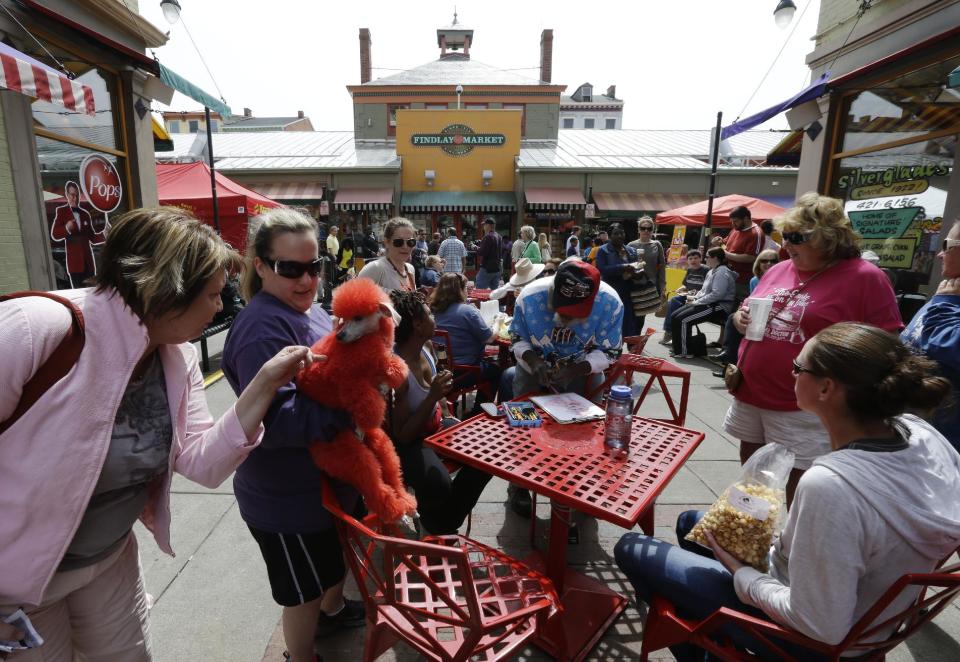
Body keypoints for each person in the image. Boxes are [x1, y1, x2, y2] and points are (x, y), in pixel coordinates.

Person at [0, 207, 311, 660]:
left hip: (108, 562)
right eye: (211, 295)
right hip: (16, 587)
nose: (221, 307)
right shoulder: (35, 329)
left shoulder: (175, 357)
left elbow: (202, 463)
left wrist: (263, 384)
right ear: (165, 290)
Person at [615, 322, 960, 661]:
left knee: (633, 547)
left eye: (798, 367)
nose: (791, 373)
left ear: (826, 389)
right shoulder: (921, 434)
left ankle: (708, 649)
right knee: (692, 524)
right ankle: (708, 628)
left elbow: (819, 626)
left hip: (815, 641)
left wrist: (742, 574)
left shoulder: (831, 484)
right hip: (875, 613)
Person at [222, 209, 366, 662]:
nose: (307, 280)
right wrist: (352, 406)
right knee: (301, 590)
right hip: (286, 496)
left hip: (321, 487)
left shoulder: (309, 310)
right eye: (291, 269)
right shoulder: (262, 328)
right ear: (261, 266)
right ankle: (300, 656)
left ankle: (334, 608)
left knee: (326, 569)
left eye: (314, 267)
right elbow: (277, 422)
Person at [726, 192, 902, 505]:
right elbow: (748, 308)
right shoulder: (780, 269)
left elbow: (887, 344)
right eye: (783, 235)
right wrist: (740, 318)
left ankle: (793, 545)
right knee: (752, 472)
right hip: (751, 390)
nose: (785, 244)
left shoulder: (865, 278)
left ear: (828, 238)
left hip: (803, 405)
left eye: (796, 237)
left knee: (800, 483)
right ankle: (748, 529)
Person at [500, 259, 623, 517]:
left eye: (577, 313)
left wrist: (576, 370)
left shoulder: (611, 303)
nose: (568, 319)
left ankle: (576, 484)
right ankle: (519, 485)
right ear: (552, 293)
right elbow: (516, 338)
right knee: (524, 427)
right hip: (532, 372)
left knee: (583, 433)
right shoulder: (529, 298)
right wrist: (534, 362)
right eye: (564, 311)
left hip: (583, 372)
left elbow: (611, 352)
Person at [389, 289, 493, 535]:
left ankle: (437, 521)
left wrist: (448, 415)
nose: (435, 317)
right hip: (410, 442)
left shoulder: (426, 346)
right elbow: (402, 436)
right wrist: (433, 396)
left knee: (486, 457)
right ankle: (437, 520)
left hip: (436, 425)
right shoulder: (397, 370)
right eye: (429, 313)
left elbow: (439, 391)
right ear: (417, 324)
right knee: (439, 485)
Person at [901, 219, 960, 452]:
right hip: (914, 431)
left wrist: (945, 303)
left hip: (945, 445)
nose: (939, 254)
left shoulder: (948, 298)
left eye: (947, 245)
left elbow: (950, 345)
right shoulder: (949, 291)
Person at [430, 272, 502, 407]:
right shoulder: (467, 311)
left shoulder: (434, 310)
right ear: (459, 291)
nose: (467, 291)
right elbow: (489, 338)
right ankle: (480, 410)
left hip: (440, 370)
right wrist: (497, 322)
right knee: (497, 370)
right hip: (465, 371)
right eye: (465, 288)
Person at [670, 247, 736, 358]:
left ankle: (686, 351)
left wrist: (697, 302)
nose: (705, 259)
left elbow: (717, 294)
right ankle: (679, 349)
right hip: (708, 303)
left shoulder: (722, 272)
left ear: (715, 258)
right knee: (675, 316)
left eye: (707, 257)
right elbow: (703, 291)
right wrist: (694, 298)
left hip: (719, 306)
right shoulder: (711, 271)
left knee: (684, 320)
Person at [50, 180, 105, 288]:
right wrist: (66, 228)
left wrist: (104, 235)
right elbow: (55, 234)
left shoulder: (85, 214)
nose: (74, 198)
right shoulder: (62, 211)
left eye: (76, 195)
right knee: (78, 291)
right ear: (67, 195)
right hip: (74, 262)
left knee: (91, 291)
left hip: (88, 261)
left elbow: (92, 237)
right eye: (72, 195)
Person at [595, 222, 641, 337]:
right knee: (610, 322)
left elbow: (638, 270)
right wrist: (623, 267)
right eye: (616, 233)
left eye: (622, 233)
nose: (620, 236)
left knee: (629, 324)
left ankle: (630, 349)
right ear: (610, 236)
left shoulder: (631, 250)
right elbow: (602, 269)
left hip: (629, 293)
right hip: (611, 293)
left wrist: (638, 271)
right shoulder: (603, 250)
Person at [659, 248, 709, 346]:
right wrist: (680, 289)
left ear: (700, 259)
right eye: (690, 259)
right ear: (688, 261)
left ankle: (676, 336)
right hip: (688, 295)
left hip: (699, 298)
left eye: (695, 258)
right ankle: (669, 331)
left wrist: (694, 294)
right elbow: (685, 285)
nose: (693, 261)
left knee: (681, 308)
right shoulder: (689, 270)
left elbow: (708, 288)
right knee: (672, 301)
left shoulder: (706, 270)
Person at [627, 216, 667, 331]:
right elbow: (627, 265)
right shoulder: (631, 245)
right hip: (633, 284)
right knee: (631, 315)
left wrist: (662, 286)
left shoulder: (656, 244)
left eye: (649, 229)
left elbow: (662, 266)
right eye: (643, 228)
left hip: (649, 285)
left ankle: (634, 342)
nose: (646, 231)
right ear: (638, 229)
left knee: (641, 316)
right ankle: (630, 340)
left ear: (652, 230)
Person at [357, 217, 417, 293]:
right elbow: (355, 298)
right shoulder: (375, 268)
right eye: (398, 242)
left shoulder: (410, 269)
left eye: (410, 242)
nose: (405, 247)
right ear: (386, 242)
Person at [722, 206, 764, 302]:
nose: (733, 224)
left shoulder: (756, 233)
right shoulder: (736, 229)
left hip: (742, 281)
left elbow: (751, 257)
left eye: (736, 221)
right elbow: (726, 245)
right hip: (728, 277)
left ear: (746, 218)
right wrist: (719, 242)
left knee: (737, 308)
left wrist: (726, 254)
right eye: (732, 221)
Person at [475, 217, 503, 289]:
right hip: (497, 267)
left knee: (480, 289)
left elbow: (482, 252)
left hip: (487, 267)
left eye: (484, 225)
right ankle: (495, 300)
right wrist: (481, 243)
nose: (483, 227)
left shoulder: (488, 236)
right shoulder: (499, 236)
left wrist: (474, 247)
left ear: (488, 225)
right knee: (494, 291)